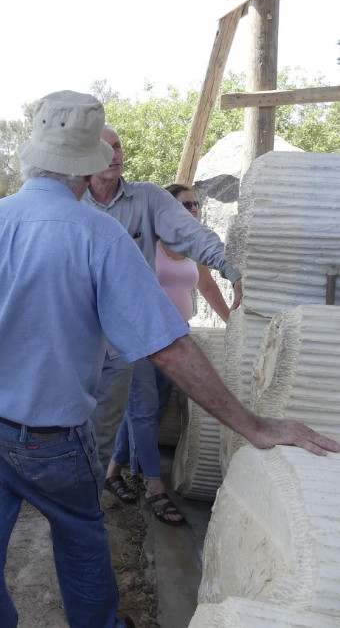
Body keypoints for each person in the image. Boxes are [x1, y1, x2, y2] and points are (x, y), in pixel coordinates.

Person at [0, 89, 339, 628]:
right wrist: (256, 426)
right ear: (88, 169)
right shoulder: (97, 235)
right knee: (81, 546)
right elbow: (169, 346)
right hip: (50, 436)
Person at [82, 125, 244, 469]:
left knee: (108, 431)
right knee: (68, 427)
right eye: (104, 148)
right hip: (76, 337)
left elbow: (193, 236)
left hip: (127, 340)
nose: (115, 154)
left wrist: (233, 270)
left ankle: (105, 493)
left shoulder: (148, 198)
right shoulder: (69, 202)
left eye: (118, 146)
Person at [106, 183, 232, 515]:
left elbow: (205, 286)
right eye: (185, 205)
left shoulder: (192, 248)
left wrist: (234, 323)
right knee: (144, 411)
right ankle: (154, 486)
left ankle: (112, 472)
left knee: (153, 409)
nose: (193, 210)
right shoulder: (147, 243)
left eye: (195, 204)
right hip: (144, 341)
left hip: (176, 340)